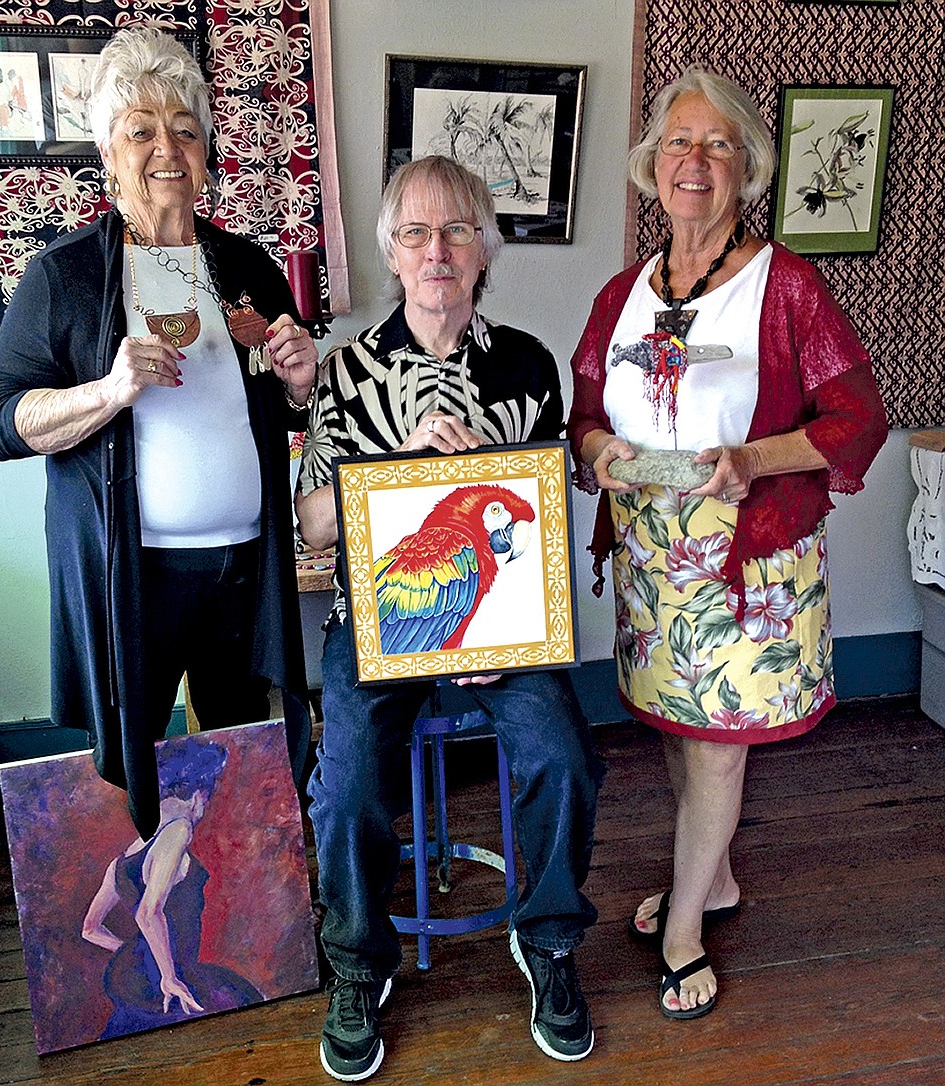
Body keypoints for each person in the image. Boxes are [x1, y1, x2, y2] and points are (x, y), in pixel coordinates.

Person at [567, 66, 887, 1021]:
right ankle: (715, 880)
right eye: (677, 144)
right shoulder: (625, 291)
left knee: (717, 749)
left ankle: (683, 933)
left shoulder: (786, 285)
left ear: (747, 170)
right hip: (652, 564)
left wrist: (752, 458)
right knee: (677, 724)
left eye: (716, 145)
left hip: (749, 563)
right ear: (650, 167)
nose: (693, 162)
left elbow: (857, 417)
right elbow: (584, 410)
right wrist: (600, 453)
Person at [297, 155, 604, 1081]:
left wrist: (488, 626)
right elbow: (310, 518)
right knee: (346, 773)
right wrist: (390, 465)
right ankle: (357, 962)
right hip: (380, 621)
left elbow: (541, 518)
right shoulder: (347, 371)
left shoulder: (525, 365)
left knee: (564, 751)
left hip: (501, 620)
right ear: (391, 251)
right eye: (418, 233)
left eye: (459, 231)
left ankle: (547, 939)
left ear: (484, 253)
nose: (438, 251)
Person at [0, 27, 315, 839]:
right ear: (108, 147)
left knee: (240, 746)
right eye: (142, 128)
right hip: (131, 571)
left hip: (243, 562)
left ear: (207, 151)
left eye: (186, 129)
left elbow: (288, 404)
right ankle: (135, 931)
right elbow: (0, 421)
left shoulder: (246, 266)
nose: (167, 147)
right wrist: (108, 389)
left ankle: (240, 921)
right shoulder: (66, 275)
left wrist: (300, 382)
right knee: (128, 753)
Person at [82, 738, 263, 1037]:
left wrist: (136, 954)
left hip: (136, 974)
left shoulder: (123, 859)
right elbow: (148, 912)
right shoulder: (179, 829)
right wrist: (168, 975)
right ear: (198, 794)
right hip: (167, 979)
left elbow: (90, 929)